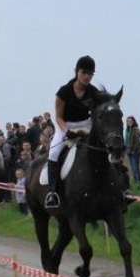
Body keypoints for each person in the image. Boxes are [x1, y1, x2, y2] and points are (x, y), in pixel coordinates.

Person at [46, 55, 100, 208]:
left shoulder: (93, 92)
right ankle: (52, 192)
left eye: (90, 74)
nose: (87, 76)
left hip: (87, 125)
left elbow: (96, 113)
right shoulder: (64, 91)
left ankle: (119, 189)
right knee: (53, 153)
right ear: (76, 72)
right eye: (84, 72)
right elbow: (58, 116)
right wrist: (67, 131)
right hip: (66, 125)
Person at [125, 116, 140, 184]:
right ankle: (136, 183)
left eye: (130, 121)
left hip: (135, 152)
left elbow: (137, 142)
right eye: (128, 121)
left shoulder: (136, 130)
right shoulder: (127, 130)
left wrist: (133, 151)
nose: (129, 122)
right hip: (129, 151)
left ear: (133, 121)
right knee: (133, 169)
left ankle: (138, 183)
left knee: (135, 169)